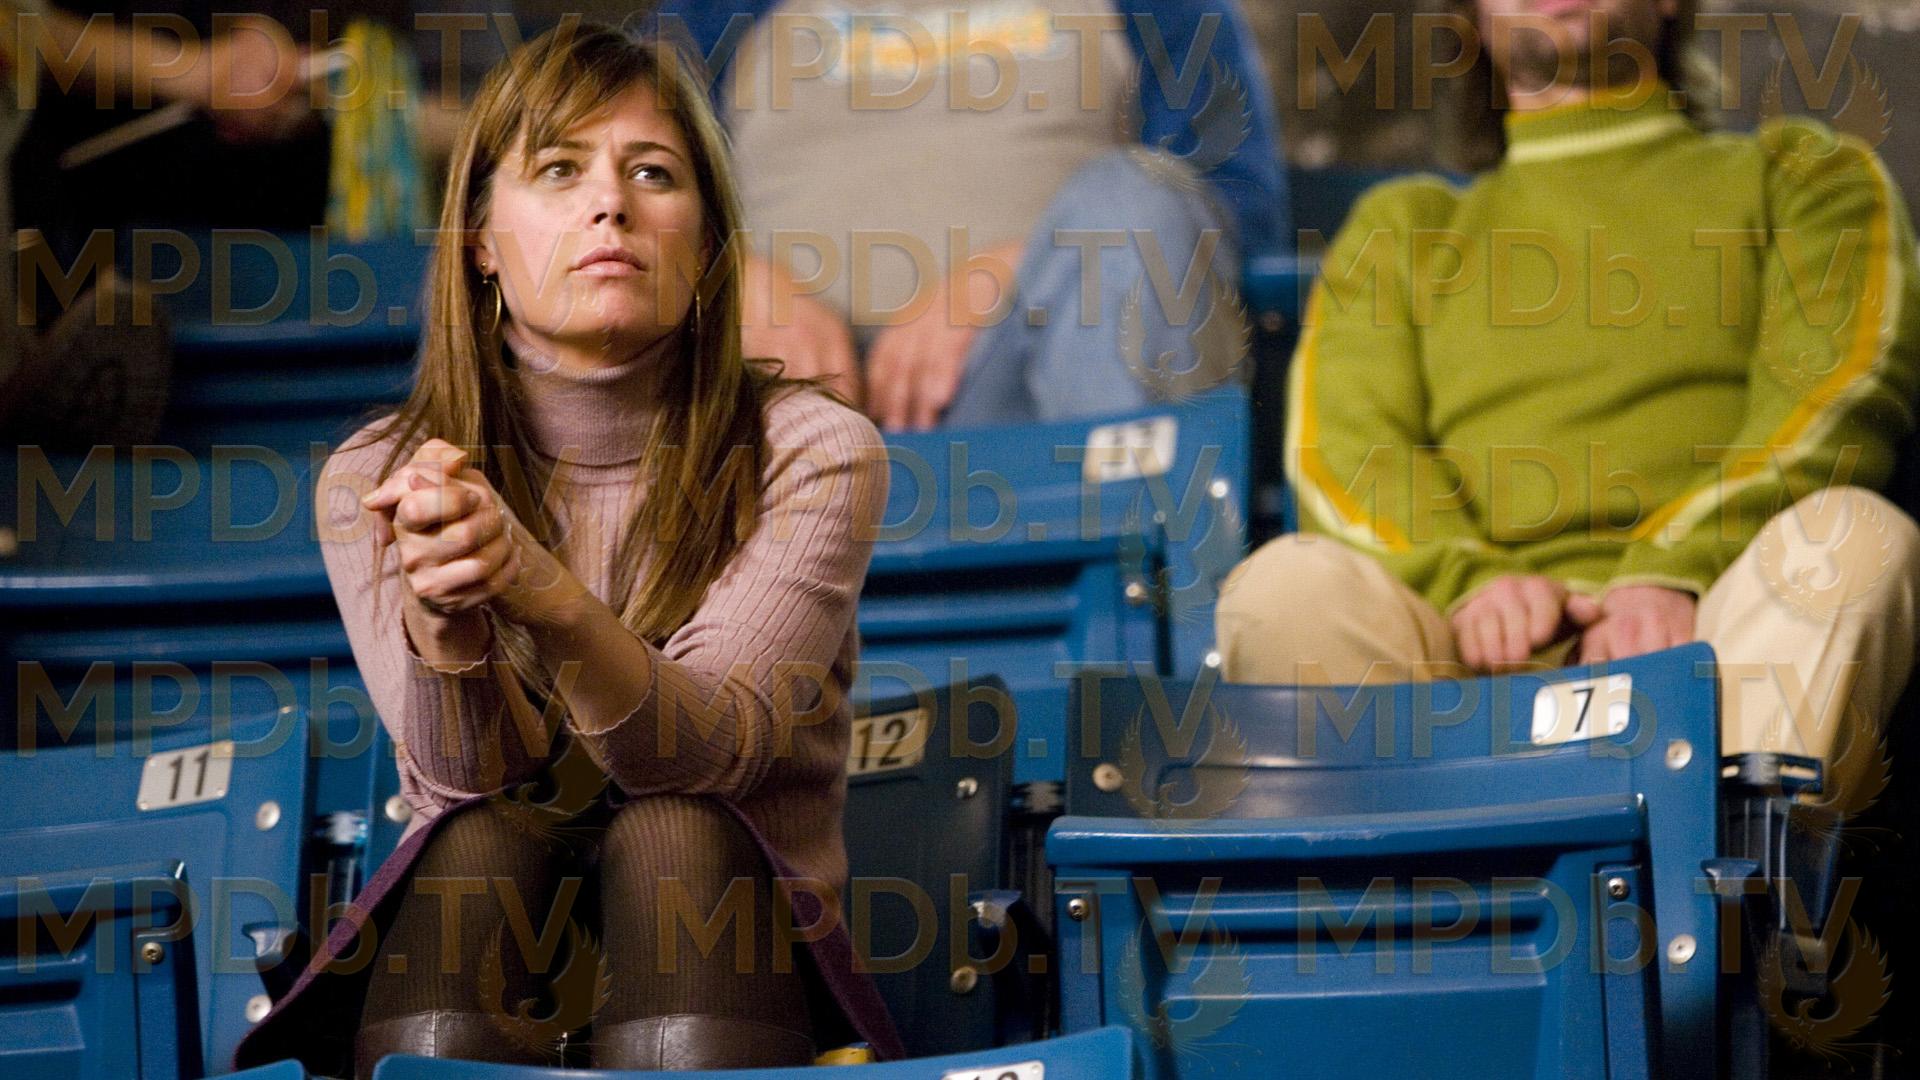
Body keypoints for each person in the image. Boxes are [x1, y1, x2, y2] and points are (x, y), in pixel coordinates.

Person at [232, 24, 894, 1075]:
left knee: (672, 833)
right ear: (481, 240)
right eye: (558, 169)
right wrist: (446, 628)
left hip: (740, 960)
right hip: (490, 933)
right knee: (480, 841)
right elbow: (464, 785)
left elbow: (705, 755)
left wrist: (539, 593)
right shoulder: (375, 476)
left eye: (653, 172)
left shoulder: (813, 449)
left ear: (706, 244)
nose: (611, 203)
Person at [1216, 0, 1920, 807]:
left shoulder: (1807, 176)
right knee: (1281, 588)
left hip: (1719, 636)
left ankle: (1731, 871)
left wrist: (1672, 572)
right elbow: (1343, 454)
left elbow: (1839, 392)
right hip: (1461, 655)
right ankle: (1423, 882)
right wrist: (1474, 585)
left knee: (1852, 538)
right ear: (1473, 19)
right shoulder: (1401, 230)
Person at [647, 0, 1286, 430]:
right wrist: (727, 277)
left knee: (1136, 201)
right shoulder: (713, 14)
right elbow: (606, 169)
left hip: (1031, 388)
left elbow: (1236, 206)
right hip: (768, 409)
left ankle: (1137, 565)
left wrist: (1017, 269)